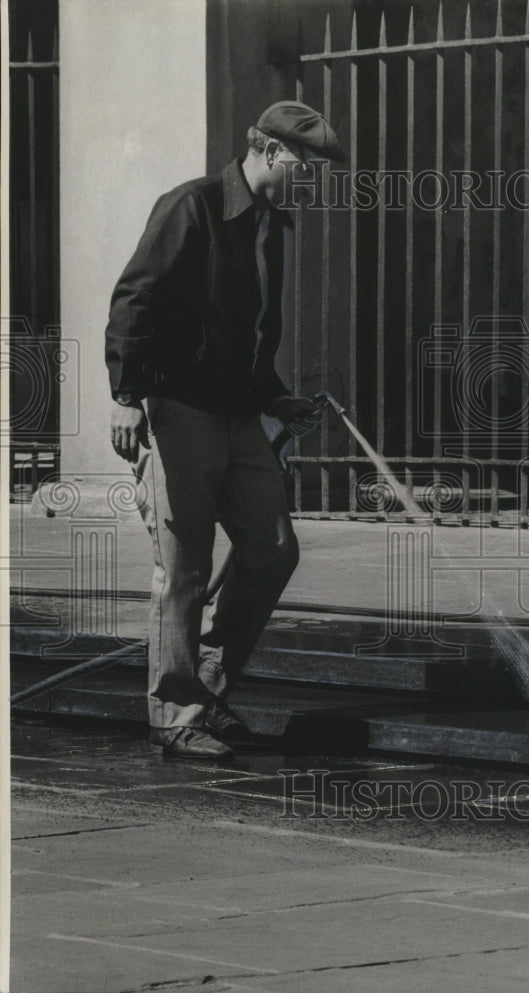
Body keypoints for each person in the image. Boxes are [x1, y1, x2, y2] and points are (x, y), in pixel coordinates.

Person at [105, 101, 346, 759]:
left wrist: (277, 398)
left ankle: (205, 692)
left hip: (239, 414)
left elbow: (246, 337)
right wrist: (126, 396)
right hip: (179, 409)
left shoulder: (272, 227)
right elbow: (136, 298)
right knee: (183, 565)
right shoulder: (192, 206)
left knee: (271, 547)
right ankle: (175, 714)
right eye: (308, 164)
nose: (314, 179)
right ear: (266, 150)